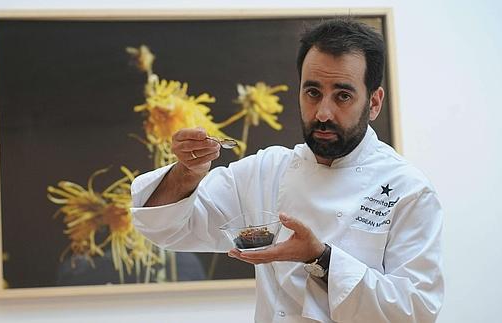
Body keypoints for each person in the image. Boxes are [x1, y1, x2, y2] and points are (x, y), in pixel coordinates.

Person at [130, 18, 443, 322]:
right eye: (313, 92)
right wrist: (188, 171)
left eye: (343, 96)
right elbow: (166, 228)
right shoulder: (266, 170)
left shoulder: (408, 189)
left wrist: (320, 257)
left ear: (374, 103)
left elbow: (414, 310)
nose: (323, 112)